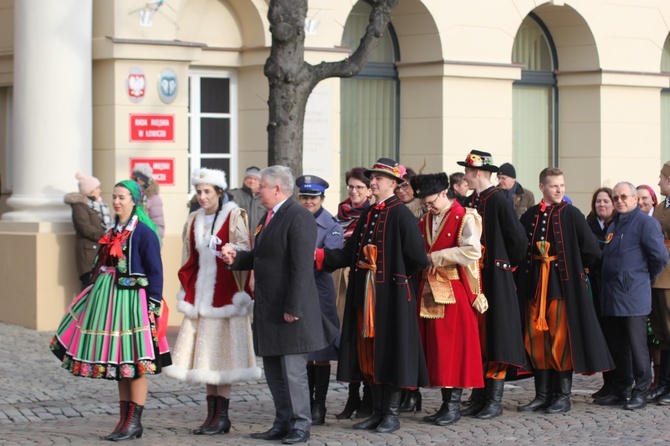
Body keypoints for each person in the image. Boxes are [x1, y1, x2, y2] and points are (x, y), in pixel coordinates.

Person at [221, 165, 338, 445]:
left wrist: (293, 308)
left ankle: (300, 424)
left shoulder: (298, 216)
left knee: (293, 372)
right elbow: (262, 257)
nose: (257, 190)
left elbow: (300, 267)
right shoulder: (269, 216)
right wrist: (236, 259)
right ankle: (282, 421)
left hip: (290, 310)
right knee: (274, 370)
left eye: (262, 186)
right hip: (269, 308)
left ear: (277, 188)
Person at [315, 158, 429, 434]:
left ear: (393, 183)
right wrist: (319, 257)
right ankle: (377, 411)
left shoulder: (401, 214)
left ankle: (390, 413)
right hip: (364, 296)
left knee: (389, 352)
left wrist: (398, 282)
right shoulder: (369, 214)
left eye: (378, 178)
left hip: (390, 298)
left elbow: (417, 258)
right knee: (369, 355)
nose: (373, 182)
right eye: (372, 177)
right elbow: (349, 252)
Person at [50, 179, 170, 441]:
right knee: (119, 362)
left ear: (134, 200)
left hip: (132, 303)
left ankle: (134, 422)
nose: (116, 201)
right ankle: (124, 420)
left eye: (122, 197)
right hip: (111, 301)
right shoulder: (114, 229)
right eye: (114, 197)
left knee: (135, 363)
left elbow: (155, 272)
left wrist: (153, 305)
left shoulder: (143, 232)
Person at [165, 168, 260, 435]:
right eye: (199, 192)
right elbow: (189, 257)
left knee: (224, 358)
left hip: (226, 294)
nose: (202, 196)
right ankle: (211, 415)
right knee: (205, 357)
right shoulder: (193, 218)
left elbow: (244, 249)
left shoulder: (233, 216)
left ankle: (223, 417)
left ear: (219, 192)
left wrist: (232, 254)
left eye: (207, 191)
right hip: (201, 295)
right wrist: (188, 290)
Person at [516, 167, 613, 414]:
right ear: (542, 187)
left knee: (559, 341)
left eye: (562, 185)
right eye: (554, 186)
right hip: (535, 287)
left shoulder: (572, 214)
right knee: (536, 340)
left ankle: (562, 396)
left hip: (560, 287)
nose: (559, 190)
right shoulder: (529, 216)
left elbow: (592, 251)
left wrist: (574, 268)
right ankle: (542, 395)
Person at [411, 172, 487, 426]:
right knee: (437, 349)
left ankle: (453, 405)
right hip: (429, 289)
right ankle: (445, 404)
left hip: (453, 289)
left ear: (445, 193)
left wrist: (437, 257)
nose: (429, 207)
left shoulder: (465, 216)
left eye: (431, 202)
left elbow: (472, 250)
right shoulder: (426, 220)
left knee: (452, 348)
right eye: (425, 204)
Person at [459, 150, 527, 419]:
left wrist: (503, 264)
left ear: (476, 172)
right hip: (475, 277)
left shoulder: (498, 201)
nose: (465, 176)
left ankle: (494, 399)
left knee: (496, 334)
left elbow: (518, 241)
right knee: (479, 336)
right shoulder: (472, 201)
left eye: (467, 171)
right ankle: (479, 394)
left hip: (494, 278)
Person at [600, 182, 668, 410]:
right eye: (616, 197)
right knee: (618, 347)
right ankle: (620, 390)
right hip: (612, 294)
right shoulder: (614, 224)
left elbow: (659, 257)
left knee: (637, 346)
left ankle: (640, 391)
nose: (619, 201)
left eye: (624, 197)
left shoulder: (645, 223)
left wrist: (640, 277)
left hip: (633, 295)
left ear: (635, 199)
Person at [295, 174, 343, 425]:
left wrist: (311, 254)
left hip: (318, 289)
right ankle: (304, 401)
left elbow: (333, 257)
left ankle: (319, 405)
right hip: (296, 291)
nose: (307, 201)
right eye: (304, 197)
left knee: (321, 350)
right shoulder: (292, 219)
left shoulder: (331, 224)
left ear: (322, 199)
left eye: (312, 197)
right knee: (302, 349)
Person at [332, 167, 374, 420]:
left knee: (363, 338)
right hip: (339, 280)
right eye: (351, 186)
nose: (354, 191)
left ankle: (368, 398)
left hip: (362, 280)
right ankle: (352, 397)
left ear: (369, 190)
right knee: (347, 340)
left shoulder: (372, 213)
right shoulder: (341, 211)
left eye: (359, 187)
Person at [585, 187, 616, 399]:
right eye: (598, 201)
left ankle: (620, 382)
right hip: (595, 286)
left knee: (616, 337)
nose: (601, 205)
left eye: (605, 201)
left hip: (614, 287)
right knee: (602, 336)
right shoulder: (589, 226)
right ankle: (607, 382)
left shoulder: (618, 225)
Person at [64, 172, 112, 290]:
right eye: (97, 188)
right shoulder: (79, 206)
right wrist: (105, 236)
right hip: (89, 254)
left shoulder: (99, 205)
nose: (99, 190)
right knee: (88, 288)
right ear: (90, 190)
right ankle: (84, 309)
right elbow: (85, 227)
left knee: (98, 289)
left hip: (99, 252)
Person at [650, 163, 670, 405]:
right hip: (658, 274)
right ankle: (664, 383)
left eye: (662, 179)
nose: (658, 183)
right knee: (662, 334)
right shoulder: (660, 207)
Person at [229, 166, 266, 245]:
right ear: (244, 180)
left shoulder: (264, 197)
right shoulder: (234, 195)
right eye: (249, 178)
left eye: (255, 179)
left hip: (259, 242)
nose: (252, 181)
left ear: (260, 182)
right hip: (238, 242)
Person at [132, 163, 165, 241]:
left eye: (136, 179)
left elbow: (158, 226)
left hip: (146, 242)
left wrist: (154, 243)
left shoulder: (153, 199)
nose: (133, 182)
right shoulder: (132, 196)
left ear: (143, 180)